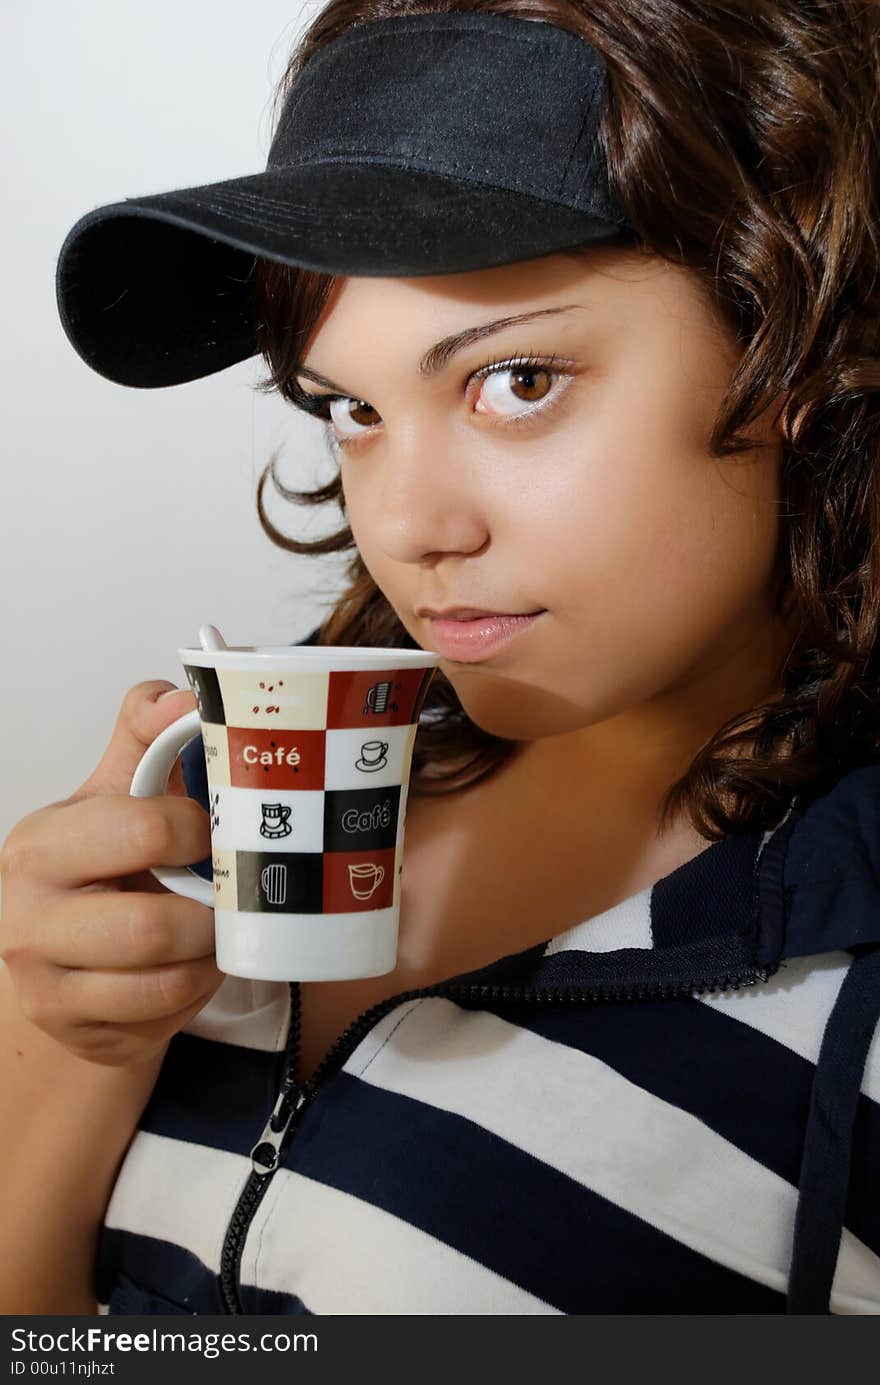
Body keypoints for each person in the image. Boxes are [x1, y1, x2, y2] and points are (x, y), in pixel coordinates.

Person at [2, 0, 879, 1316]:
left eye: (516, 379)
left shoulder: (843, 981)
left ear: (798, 348)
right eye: (350, 408)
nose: (410, 528)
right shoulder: (243, 804)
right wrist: (64, 1042)